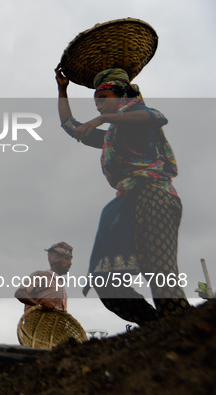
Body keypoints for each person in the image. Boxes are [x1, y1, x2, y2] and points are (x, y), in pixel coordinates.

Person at [55, 66, 189, 326]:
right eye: (96, 104)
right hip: (124, 204)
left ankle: (184, 329)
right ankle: (157, 328)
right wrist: (62, 90)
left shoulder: (140, 120)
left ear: (123, 95)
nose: (99, 108)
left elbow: (154, 116)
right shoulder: (112, 136)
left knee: (160, 273)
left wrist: (103, 119)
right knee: (107, 283)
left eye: (103, 100)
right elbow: (71, 127)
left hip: (154, 195)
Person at [15, 242, 73, 312]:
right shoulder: (42, 276)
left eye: (70, 260)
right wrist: (39, 306)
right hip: (38, 321)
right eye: (67, 259)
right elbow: (20, 293)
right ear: (56, 260)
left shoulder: (61, 283)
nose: (70, 263)